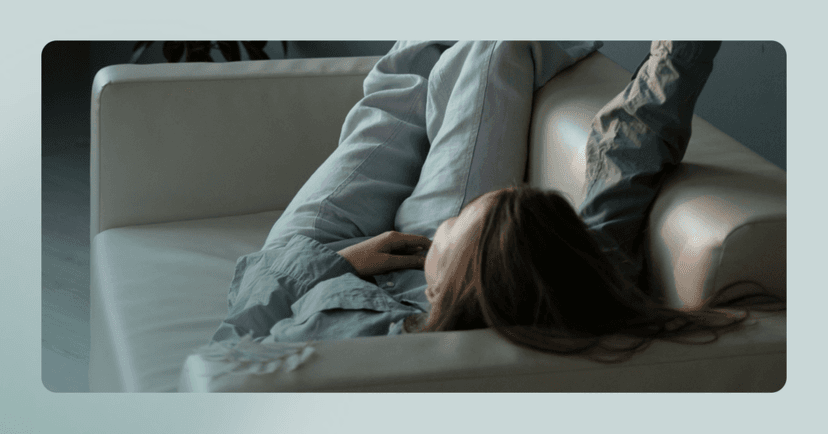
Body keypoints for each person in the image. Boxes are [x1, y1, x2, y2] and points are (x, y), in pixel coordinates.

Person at [210, 41, 759, 362]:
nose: (456, 218)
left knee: (394, 98)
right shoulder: (572, 279)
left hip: (312, 259)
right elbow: (629, 155)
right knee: (488, 51)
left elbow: (236, 343)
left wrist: (340, 262)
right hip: (418, 255)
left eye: (459, 224)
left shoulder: (357, 348)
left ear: (448, 283)